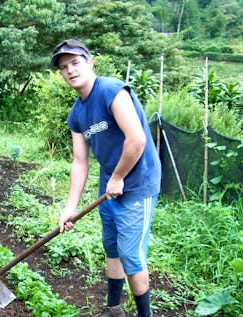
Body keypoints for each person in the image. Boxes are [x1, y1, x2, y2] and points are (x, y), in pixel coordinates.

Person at [53, 39, 161, 317]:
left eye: (75, 63)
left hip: (137, 183)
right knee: (111, 247)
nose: (70, 71)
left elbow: (136, 140)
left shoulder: (111, 90)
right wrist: (69, 208)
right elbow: (80, 162)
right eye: (64, 67)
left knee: (131, 255)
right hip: (111, 185)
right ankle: (114, 309)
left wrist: (119, 177)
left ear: (89, 63)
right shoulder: (76, 114)